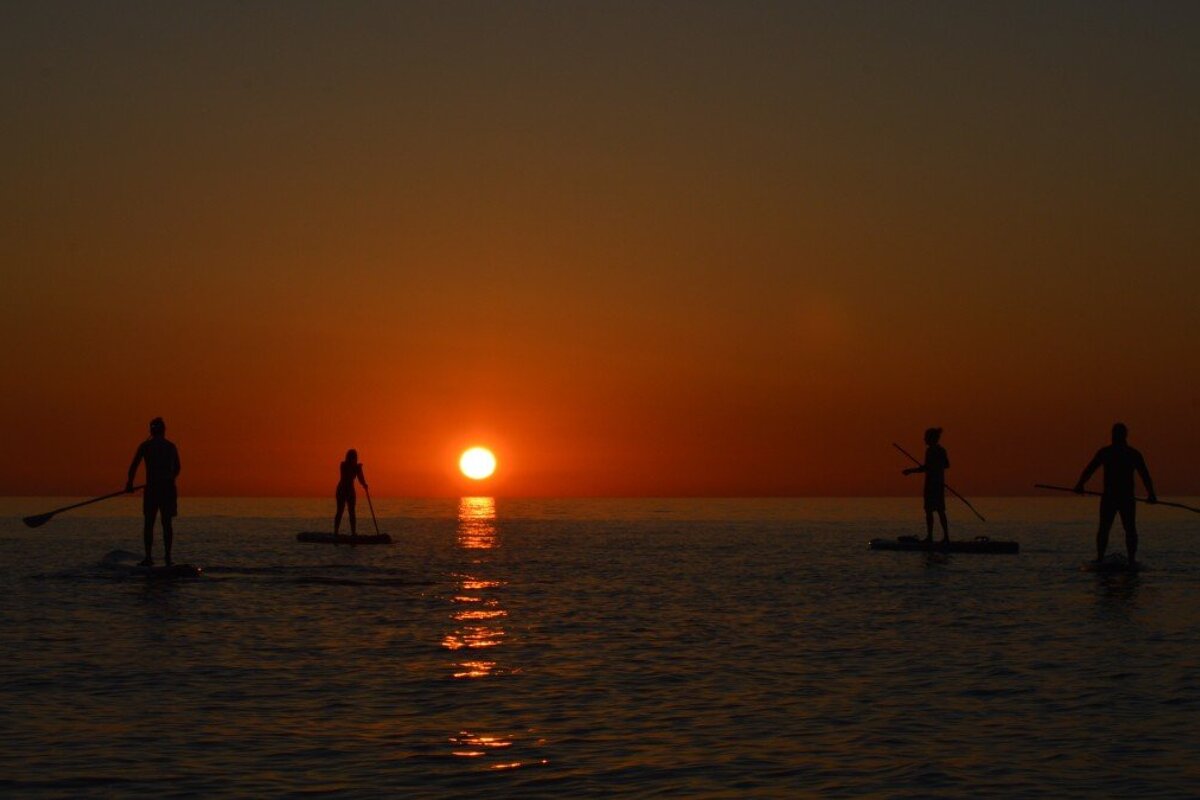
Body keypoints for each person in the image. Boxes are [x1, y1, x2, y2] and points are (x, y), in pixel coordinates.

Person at [1074, 422, 1156, 562]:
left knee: (1125, 529)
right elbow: (1090, 469)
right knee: (1110, 528)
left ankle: (1127, 559)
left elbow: (1144, 474)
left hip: (1122, 498)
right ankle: (1110, 558)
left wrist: (1151, 494)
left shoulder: (1125, 453)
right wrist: (1080, 484)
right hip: (1115, 497)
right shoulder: (1120, 453)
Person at [125, 417, 181, 566]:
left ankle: (149, 558)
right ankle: (167, 557)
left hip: (153, 489)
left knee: (149, 523)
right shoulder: (171, 446)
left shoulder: (145, 446)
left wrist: (129, 484)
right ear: (163, 430)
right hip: (167, 489)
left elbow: (133, 466)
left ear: (151, 430)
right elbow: (177, 469)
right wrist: (169, 478)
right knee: (166, 523)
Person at [903, 427, 950, 543]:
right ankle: (946, 537)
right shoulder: (942, 450)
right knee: (940, 510)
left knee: (930, 511)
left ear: (930, 439)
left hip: (931, 485)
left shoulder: (931, 451)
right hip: (939, 484)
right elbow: (946, 465)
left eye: (926, 438)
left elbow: (926, 468)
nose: (924, 440)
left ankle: (930, 537)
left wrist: (910, 471)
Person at [334, 449, 369, 535]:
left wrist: (364, 484)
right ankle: (335, 532)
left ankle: (353, 533)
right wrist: (357, 468)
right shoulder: (343, 465)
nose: (354, 459)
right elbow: (347, 474)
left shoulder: (356, 467)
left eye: (355, 457)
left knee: (352, 511)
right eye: (352, 457)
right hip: (342, 490)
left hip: (350, 490)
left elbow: (360, 478)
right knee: (340, 511)